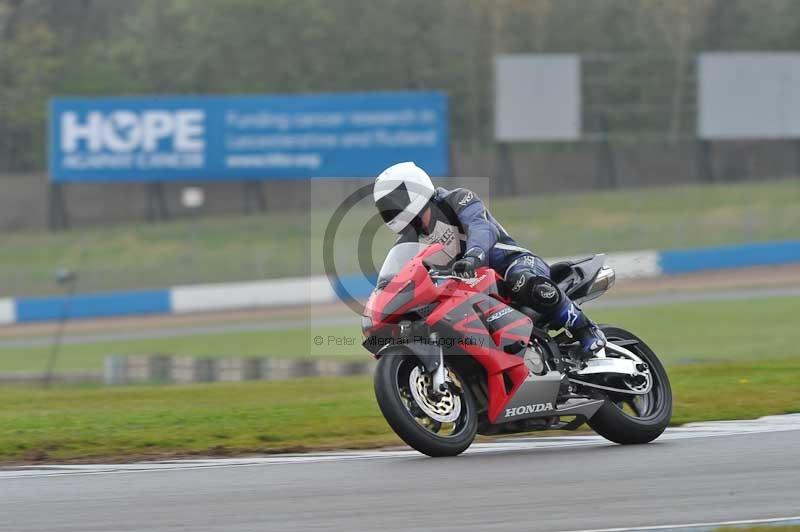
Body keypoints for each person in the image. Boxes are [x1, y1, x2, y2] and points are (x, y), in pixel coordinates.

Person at [373, 161, 606, 356]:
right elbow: (399, 274)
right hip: (470, 288)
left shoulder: (458, 200)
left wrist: (474, 255)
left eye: (395, 202)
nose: (392, 210)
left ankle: (586, 329)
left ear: (415, 189)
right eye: (386, 207)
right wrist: (383, 295)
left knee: (522, 280)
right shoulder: (408, 240)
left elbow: (481, 228)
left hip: (509, 263)